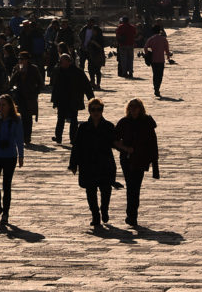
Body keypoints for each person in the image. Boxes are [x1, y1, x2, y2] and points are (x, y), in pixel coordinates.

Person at [68, 98, 116, 228]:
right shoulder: (83, 127)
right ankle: (95, 215)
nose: (96, 112)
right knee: (91, 191)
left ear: (102, 110)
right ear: (89, 111)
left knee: (106, 189)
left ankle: (104, 209)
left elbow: (116, 143)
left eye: (99, 109)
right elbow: (76, 146)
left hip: (105, 163)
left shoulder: (109, 126)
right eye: (93, 109)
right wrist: (73, 164)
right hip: (87, 164)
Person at [113, 99, 160, 227]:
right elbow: (114, 140)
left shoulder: (147, 123)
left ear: (140, 108)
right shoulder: (124, 122)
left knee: (135, 187)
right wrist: (125, 148)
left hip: (141, 159)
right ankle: (131, 215)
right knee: (131, 185)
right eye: (131, 107)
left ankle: (132, 214)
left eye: (136, 107)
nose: (133, 110)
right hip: (127, 159)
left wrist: (155, 165)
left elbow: (153, 144)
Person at [0, 94, 25, 225]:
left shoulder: (16, 119)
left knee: (6, 185)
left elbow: (19, 139)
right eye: (0, 105)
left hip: (9, 156)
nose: (1, 107)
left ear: (10, 106)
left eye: (3, 105)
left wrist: (21, 155)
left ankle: (6, 212)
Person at [50, 54, 94, 145]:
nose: (60, 63)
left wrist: (91, 99)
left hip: (74, 99)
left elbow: (87, 86)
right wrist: (54, 100)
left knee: (74, 119)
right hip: (62, 100)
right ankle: (58, 137)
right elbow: (55, 87)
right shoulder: (58, 71)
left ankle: (73, 138)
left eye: (62, 61)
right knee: (60, 118)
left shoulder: (78, 72)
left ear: (68, 62)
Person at [8, 52, 43, 144]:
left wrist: (36, 92)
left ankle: (27, 136)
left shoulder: (33, 69)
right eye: (19, 59)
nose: (21, 61)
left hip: (30, 96)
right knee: (20, 117)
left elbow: (40, 82)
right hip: (19, 96)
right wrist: (17, 72)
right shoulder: (16, 68)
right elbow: (11, 82)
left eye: (22, 59)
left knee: (28, 117)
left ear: (27, 60)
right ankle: (21, 135)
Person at [144, 27, 171, 98]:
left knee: (155, 74)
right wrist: (168, 56)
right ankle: (157, 87)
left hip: (153, 60)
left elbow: (145, 47)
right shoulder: (163, 39)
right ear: (160, 31)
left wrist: (147, 54)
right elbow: (167, 49)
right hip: (161, 60)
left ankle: (155, 88)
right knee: (160, 75)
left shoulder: (151, 39)